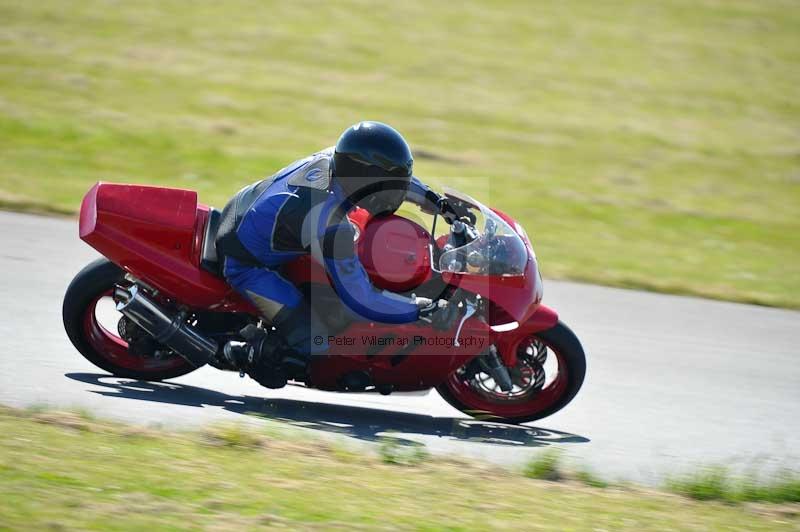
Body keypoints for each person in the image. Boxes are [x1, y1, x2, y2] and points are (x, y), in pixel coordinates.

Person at [215, 121, 455, 387]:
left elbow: (390, 178)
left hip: (251, 212)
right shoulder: (328, 221)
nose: (396, 192)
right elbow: (360, 297)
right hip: (247, 262)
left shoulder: (339, 160)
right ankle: (241, 353)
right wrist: (419, 309)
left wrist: (437, 202)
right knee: (314, 343)